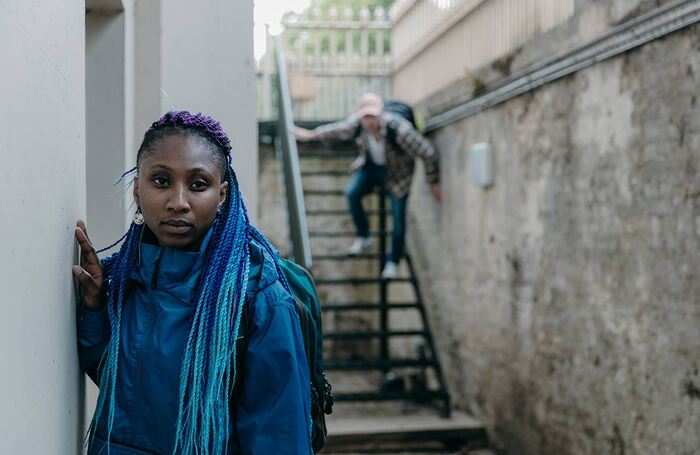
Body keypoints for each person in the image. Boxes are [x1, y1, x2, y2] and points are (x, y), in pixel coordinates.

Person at [72, 111, 312, 454]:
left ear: (222, 194)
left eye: (198, 184)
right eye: (161, 181)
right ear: (137, 190)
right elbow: (123, 386)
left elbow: (280, 436)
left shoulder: (257, 295)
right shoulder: (128, 277)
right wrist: (95, 308)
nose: (178, 202)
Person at [293, 92, 441, 279]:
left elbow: (427, 152)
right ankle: (364, 237)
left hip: (398, 176)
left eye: (372, 116)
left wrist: (432, 181)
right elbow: (337, 130)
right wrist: (311, 135)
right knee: (351, 193)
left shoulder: (399, 129)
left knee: (398, 220)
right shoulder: (357, 125)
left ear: (381, 113)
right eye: (365, 117)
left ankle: (393, 262)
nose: (369, 121)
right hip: (371, 168)